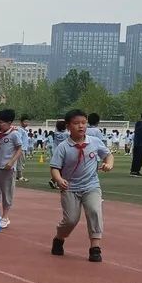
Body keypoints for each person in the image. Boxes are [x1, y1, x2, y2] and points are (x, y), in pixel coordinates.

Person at [50, 107, 112, 261]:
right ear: (68, 126)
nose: (81, 126)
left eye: (84, 123)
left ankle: (95, 248)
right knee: (71, 219)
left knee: (94, 211)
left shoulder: (94, 142)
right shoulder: (63, 147)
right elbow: (55, 168)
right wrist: (59, 179)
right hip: (70, 188)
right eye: (76, 123)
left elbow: (108, 155)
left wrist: (108, 164)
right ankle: (59, 238)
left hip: (91, 186)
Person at [0, 108, 25, 228]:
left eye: (1, 122)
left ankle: (5, 217)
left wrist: (11, 162)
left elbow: (19, 149)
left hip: (7, 168)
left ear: (9, 122)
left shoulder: (14, 134)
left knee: (7, 192)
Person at [16, 117, 32, 183]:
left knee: (22, 162)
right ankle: (20, 176)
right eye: (25, 122)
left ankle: (18, 176)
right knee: (20, 163)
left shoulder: (25, 130)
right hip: (21, 149)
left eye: (27, 122)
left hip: (24, 149)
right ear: (21, 122)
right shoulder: (20, 130)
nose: (27, 123)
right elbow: (19, 139)